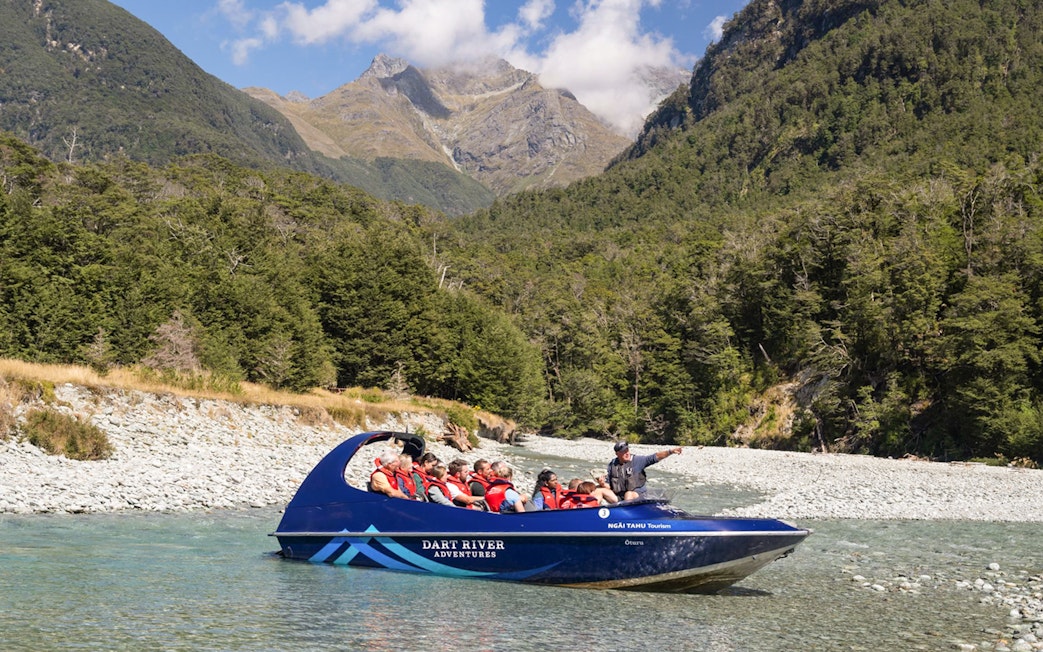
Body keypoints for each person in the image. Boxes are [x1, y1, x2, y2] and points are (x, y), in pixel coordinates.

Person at [606, 441, 682, 500]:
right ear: (617, 453)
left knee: (628, 494)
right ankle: (595, 516)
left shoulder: (637, 460)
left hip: (638, 496)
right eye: (623, 452)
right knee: (599, 490)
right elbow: (608, 486)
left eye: (627, 450)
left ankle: (630, 518)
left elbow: (654, 457)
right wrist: (602, 483)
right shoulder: (612, 465)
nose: (627, 453)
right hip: (619, 497)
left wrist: (670, 452)